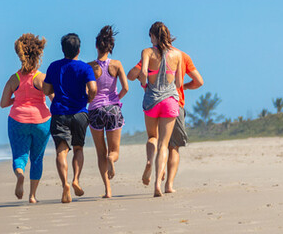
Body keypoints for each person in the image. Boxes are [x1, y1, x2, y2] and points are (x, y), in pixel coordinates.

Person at [129, 43, 203, 194]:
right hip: (176, 103)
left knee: (155, 138)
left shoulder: (151, 54)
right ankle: (168, 185)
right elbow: (199, 81)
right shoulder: (181, 55)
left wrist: (143, 80)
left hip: (154, 102)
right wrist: (184, 87)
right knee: (173, 147)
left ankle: (153, 165)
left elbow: (133, 74)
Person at [128, 21, 183, 197]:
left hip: (152, 100)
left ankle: (149, 161)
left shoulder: (147, 52)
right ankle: (158, 184)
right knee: (164, 144)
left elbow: (142, 73)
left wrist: (144, 83)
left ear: (153, 36)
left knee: (152, 137)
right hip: (170, 101)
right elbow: (180, 83)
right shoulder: (177, 54)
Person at [43, 33, 98, 203]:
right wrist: (88, 98)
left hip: (59, 112)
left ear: (62, 49)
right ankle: (76, 180)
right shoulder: (85, 68)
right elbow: (93, 88)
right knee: (78, 148)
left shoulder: (53, 66)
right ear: (79, 50)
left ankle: (65, 184)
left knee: (61, 151)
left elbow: (46, 90)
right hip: (80, 113)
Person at [0, 33, 52, 203]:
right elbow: (54, 99)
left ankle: (20, 175)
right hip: (41, 121)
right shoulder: (42, 78)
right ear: (38, 54)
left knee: (19, 156)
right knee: (37, 158)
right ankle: (33, 196)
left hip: (18, 120)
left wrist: (19, 99)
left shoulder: (14, 79)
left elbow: (3, 103)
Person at [85, 25, 129, 198]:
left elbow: (87, 91)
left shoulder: (89, 67)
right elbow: (126, 87)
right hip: (113, 109)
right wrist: (116, 99)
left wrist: (90, 101)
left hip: (95, 110)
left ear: (96, 46)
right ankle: (112, 160)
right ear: (110, 48)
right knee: (114, 151)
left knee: (100, 152)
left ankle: (108, 190)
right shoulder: (117, 65)